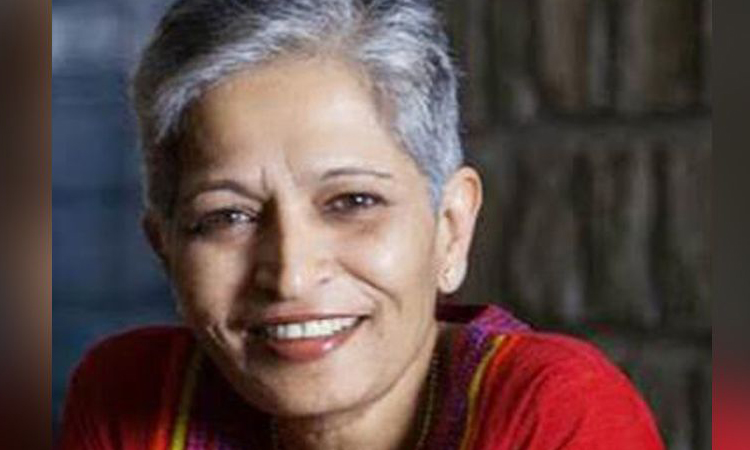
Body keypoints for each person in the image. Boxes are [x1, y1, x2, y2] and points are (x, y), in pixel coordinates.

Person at [58, 1, 665, 449]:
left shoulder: (552, 410)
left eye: (352, 202)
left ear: (451, 228)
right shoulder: (137, 399)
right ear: (165, 251)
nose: (291, 275)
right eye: (228, 216)